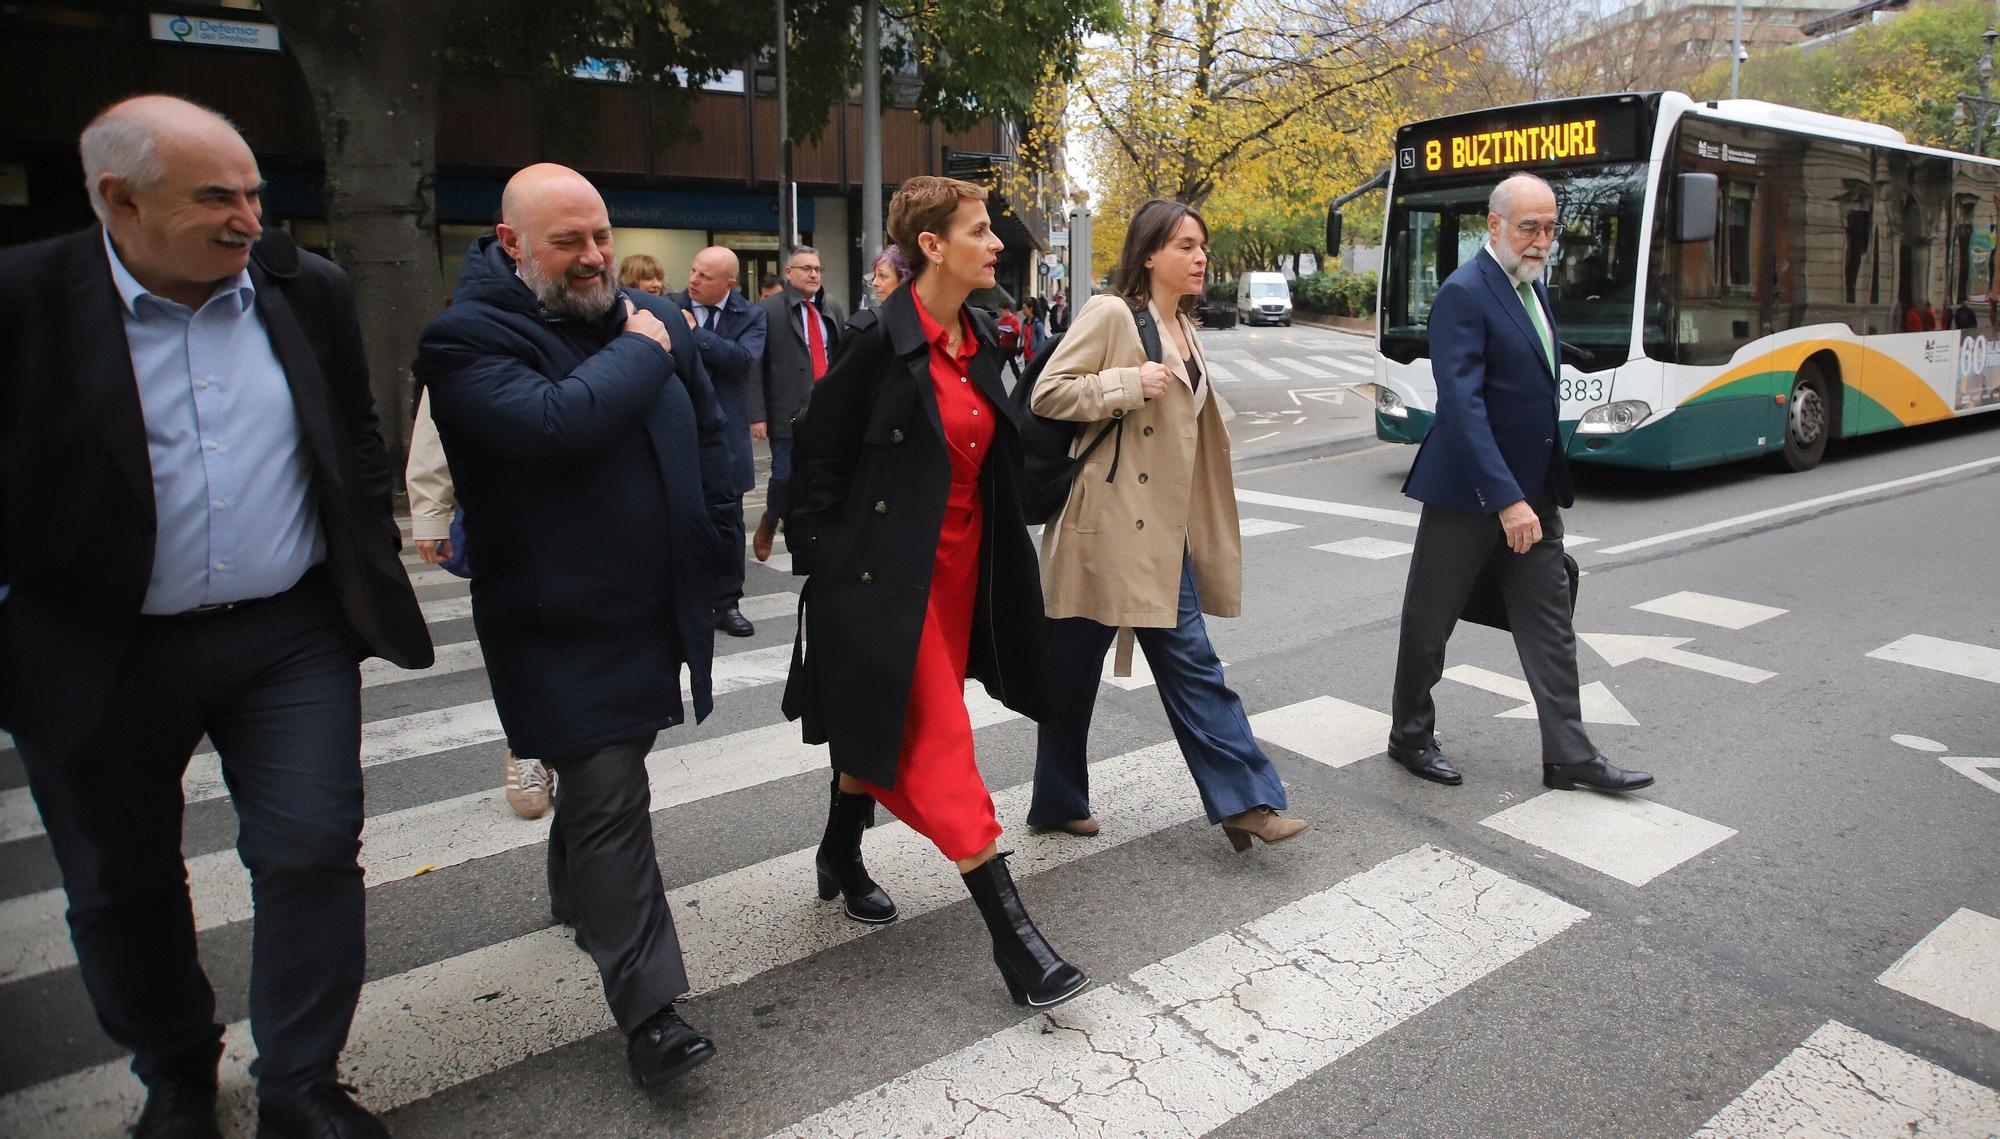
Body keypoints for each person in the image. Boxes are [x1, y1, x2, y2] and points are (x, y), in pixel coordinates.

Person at [0, 95, 432, 1139]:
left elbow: (352, 430)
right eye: (216, 198)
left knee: (312, 847)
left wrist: (361, 558)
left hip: (285, 633)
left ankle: (301, 1080)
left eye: (253, 193)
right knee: (119, 880)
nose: (248, 218)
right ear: (120, 200)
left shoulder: (305, 289)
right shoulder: (23, 299)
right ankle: (178, 1069)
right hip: (95, 642)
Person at [414, 163, 740, 1089]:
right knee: (604, 785)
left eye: (602, 235)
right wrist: (641, 344)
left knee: (610, 769)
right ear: (512, 243)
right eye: (570, 242)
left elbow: (706, 438)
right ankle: (652, 1012)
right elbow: (557, 424)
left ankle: (572, 890)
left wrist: (715, 558)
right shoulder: (465, 338)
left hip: (649, 604)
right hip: (555, 617)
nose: (595, 256)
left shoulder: (652, 319)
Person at [783, 176, 1086, 1009]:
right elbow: (818, 449)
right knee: (942, 741)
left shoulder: (981, 336)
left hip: (962, 576)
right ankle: (1018, 946)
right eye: (981, 231)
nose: (996, 244)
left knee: (889, 720)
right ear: (932, 245)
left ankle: (839, 853)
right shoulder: (878, 342)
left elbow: (1007, 451)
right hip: (888, 579)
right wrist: (827, 561)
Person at [1026, 199, 1308, 853]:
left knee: (1191, 664)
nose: (1200, 256)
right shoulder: (1112, 314)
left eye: (1202, 244)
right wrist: (1125, 382)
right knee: (1072, 672)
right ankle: (1061, 797)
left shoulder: (1183, 325)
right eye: (1185, 244)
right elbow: (1049, 390)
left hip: (1159, 533)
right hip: (1104, 530)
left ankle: (1243, 801)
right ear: (1149, 253)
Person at [1388, 172, 1653, 795]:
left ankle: (1569, 754)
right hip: (1471, 492)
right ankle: (1409, 735)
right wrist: (1506, 499)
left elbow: (1530, 367)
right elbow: (1463, 405)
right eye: (1529, 227)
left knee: (1551, 622)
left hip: (1533, 490)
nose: (1541, 241)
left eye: (1550, 228)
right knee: (1431, 621)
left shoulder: (1531, 288)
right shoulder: (1465, 291)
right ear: (1495, 225)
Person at [406, 389, 555, 818]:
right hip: (502, 510)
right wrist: (431, 511)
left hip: (590, 509)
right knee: (517, 634)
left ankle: (576, 754)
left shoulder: (615, 323)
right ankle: (527, 748)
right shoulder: (478, 326)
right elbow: (442, 405)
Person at [672, 246, 769, 637]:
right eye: (693, 271)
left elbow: (741, 361)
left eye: (705, 277)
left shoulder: (751, 316)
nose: (694, 280)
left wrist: (696, 336)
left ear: (729, 283)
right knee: (679, 523)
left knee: (727, 525)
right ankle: (686, 602)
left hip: (725, 438)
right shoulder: (667, 307)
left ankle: (728, 602)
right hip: (679, 432)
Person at [752, 245, 847, 561]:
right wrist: (757, 415)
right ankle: (770, 519)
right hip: (787, 411)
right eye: (806, 268)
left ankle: (814, 537)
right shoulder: (769, 311)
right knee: (783, 475)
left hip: (827, 409)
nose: (813, 274)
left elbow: (844, 356)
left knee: (823, 476)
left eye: (817, 269)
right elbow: (756, 366)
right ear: (789, 273)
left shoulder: (830, 306)